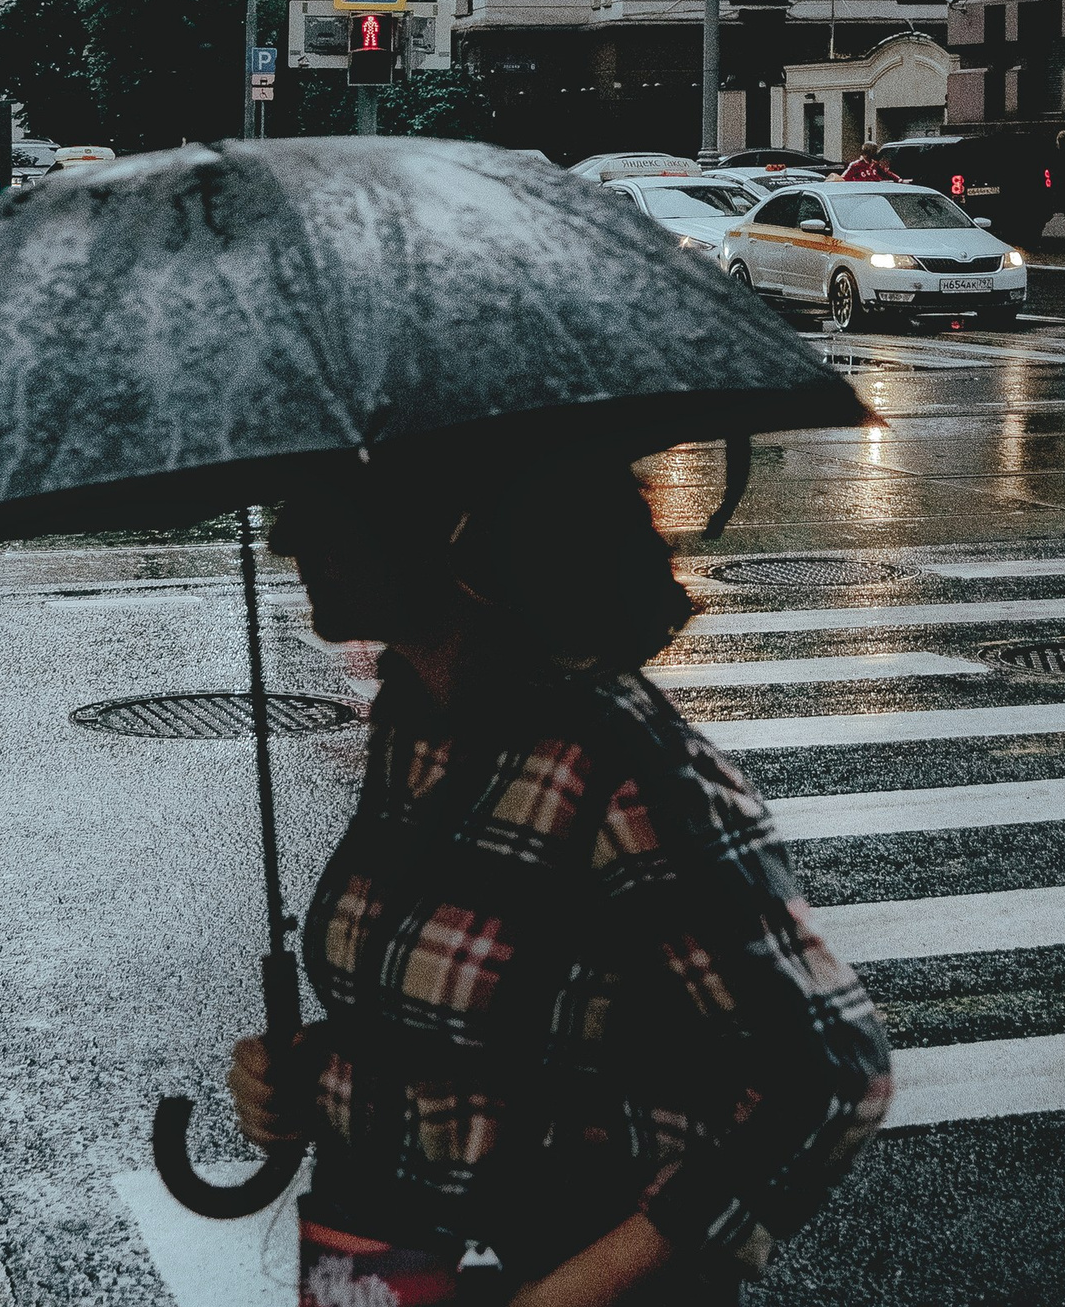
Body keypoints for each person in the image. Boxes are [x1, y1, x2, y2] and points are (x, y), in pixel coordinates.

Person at [229, 450, 892, 1305]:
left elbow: (830, 1075)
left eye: (337, 509)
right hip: (381, 1262)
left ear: (460, 541)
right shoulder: (415, 720)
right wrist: (304, 1074)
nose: (290, 538)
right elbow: (478, 1019)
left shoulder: (623, 766)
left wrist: (564, 1293)